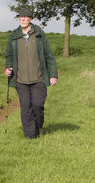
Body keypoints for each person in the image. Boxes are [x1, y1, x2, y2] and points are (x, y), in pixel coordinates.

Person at [4, 7, 58, 138]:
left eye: (25, 17)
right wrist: (8, 67)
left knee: (37, 105)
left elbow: (49, 55)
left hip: (39, 79)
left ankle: (38, 126)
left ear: (31, 19)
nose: (22, 19)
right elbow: (9, 55)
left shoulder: (39, 34)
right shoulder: (14, 35)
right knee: (25, 107)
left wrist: (53, 75)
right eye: (20, 17)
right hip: (20, 80)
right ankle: (30, 135)